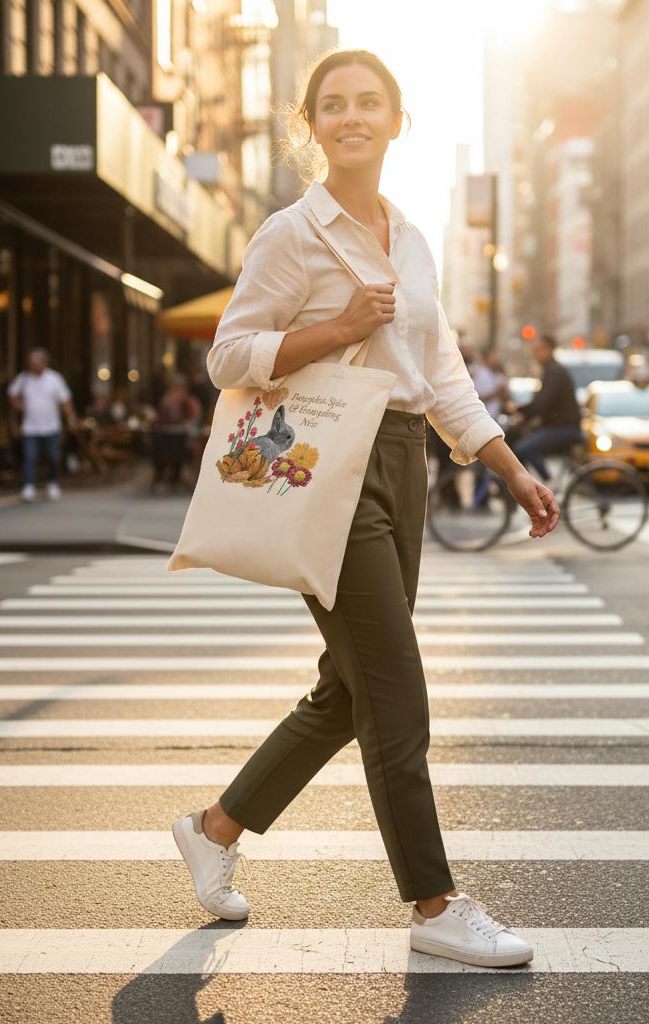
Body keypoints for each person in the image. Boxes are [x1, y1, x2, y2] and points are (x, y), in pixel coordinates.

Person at [169, 48, 560, 970]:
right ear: (311, 126)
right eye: (333, 105)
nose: (352, 117)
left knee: (351, 689)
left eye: (369, 102)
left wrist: (507, 465)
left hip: (402, 460)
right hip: (321, 463)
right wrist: (337, 329)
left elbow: (442, 372)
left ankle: (215, 826)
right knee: (396, 693)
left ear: (396, 121)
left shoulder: (412, 236)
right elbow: (229, 356)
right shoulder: (290, 232)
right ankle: (433, 902)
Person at [510, 333, 584, 486]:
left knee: (524, 448)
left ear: (549, 350)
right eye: (534, 350)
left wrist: (521, 411)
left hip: (565, 428)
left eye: (538, 349)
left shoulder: (555, 371)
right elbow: (542, 403)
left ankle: (549, 482)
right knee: (525, 442)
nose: (535, 354)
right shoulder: (550, 370)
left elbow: (542, 403)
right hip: (559, 426)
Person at [8, 348, 77, 502]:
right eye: (32, 364)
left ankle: (52, 483)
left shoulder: (54, 379)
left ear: (44, 363)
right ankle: (29, 486)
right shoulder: (24, 378)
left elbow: (65, 400)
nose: (34, 366)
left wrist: (70, 417)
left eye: (37, 363)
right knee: (30, 457)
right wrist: (18, 405)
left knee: (53, 457)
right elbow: (12, 392)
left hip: (51, 426)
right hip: (30, 427)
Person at [151, 375, 202, 492]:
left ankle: (174, 478)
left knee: (177, 450)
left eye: (180, 388)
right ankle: (163, 477)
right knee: (163, 449)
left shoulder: (189, 402)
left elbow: (193, 420)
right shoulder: (166, 400)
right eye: (175, 388)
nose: (178, 391)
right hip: (166, 438)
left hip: (184, 439)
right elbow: (160, 419)